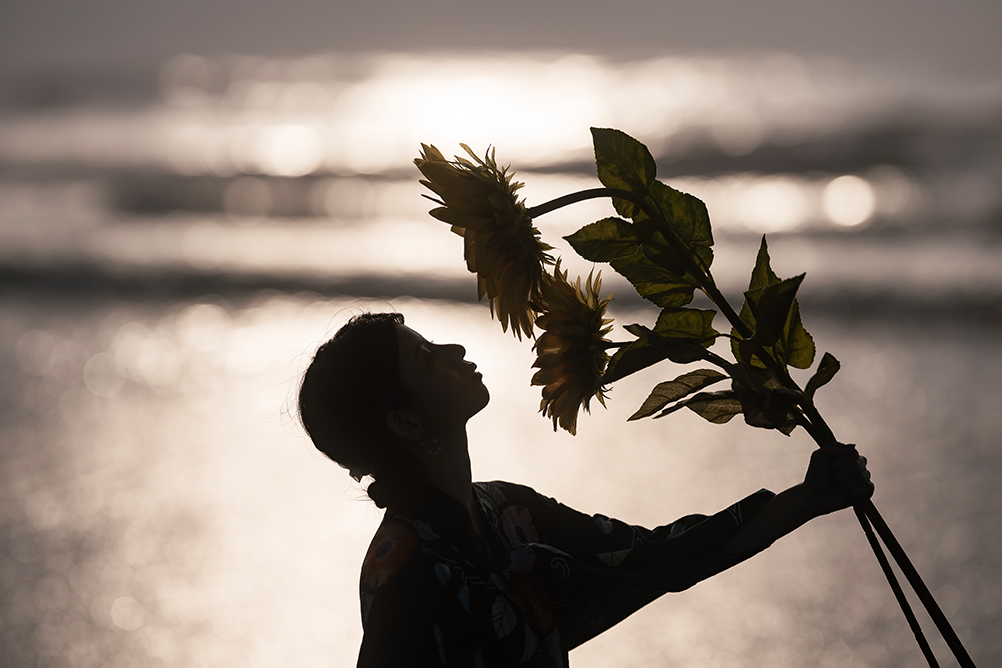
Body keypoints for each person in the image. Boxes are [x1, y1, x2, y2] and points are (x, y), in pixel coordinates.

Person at [298, 312, 874, 667]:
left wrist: (809, 498)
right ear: (406, 422)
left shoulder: (507, 513)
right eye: (427, 359)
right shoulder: (405, 569)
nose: (455, 352)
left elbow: (653, 559)